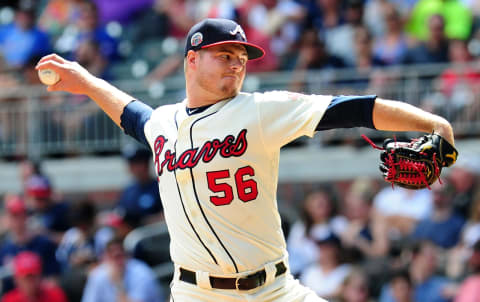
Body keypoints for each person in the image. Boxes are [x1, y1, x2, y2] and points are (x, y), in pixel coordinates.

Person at [36, 17, 456, 301]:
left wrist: (433, 123)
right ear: (192, 60)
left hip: (273, 290)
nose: (237, 66)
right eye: (225, 56)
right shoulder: (163, 123)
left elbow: (353, 108)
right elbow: (131, 114)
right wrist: (87, 81)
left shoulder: (258, 110)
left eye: (241, 59)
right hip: (196, 294)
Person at [81, 236, 164, 302]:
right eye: (112, 257)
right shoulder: (98, 276)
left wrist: (118, 284)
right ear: (105, 258)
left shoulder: (141, 272)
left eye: (119, 256)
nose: (117, 262)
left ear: (126, 255)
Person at [1, 251, 68, 302]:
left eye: (33, 277)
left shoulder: (56, 295)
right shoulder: (9, 299)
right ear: (16, 279)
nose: (30, 282)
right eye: (26, 278)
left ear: (40, 276)